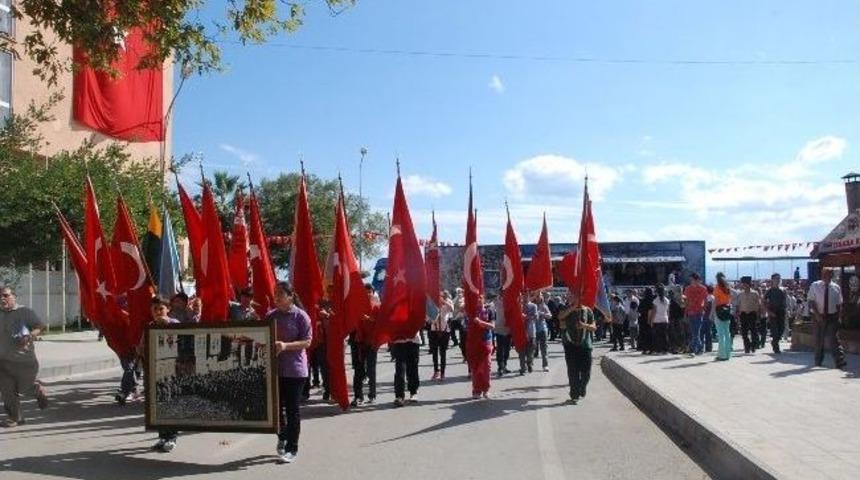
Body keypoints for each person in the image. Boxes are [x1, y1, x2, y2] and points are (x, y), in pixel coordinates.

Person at [268, 282, 313, 464]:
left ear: (291, 296)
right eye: (275, 294)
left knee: (292, 409)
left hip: (295, 370)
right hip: (275, 369)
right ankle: (283, 434)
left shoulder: (301, 316)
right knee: (276, 409)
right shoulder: (271, 316)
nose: (276, 297)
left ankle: (291, 448)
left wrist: (286, 346)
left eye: (280, 294)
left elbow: (308, 342)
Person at [0, 286, 49, 428]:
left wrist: (29, 336)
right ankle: (15, 418)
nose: (2, 299)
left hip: (24, 361)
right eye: (0, 296)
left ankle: (37, 391)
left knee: (24, 389)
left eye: (5, 295)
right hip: (3, 361)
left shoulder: (25, 312)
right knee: (7, 391)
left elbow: (40, 326)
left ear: (14, 296)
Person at [148, 296, 181, 452]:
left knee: (169, 402)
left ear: (168, 309)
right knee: (158, 404)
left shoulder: (176, 325)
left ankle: (172, 437)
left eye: (161, 308)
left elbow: (182, 342)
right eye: (155, 309)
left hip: (172, 371)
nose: (158, 312)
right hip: (155, 371)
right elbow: (143, 346)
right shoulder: (150, 326)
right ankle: (162, 436)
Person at [558, 291, 596, 404]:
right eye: (570, 296)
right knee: (572, 371)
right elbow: (560, 317)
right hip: (570, 345)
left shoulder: (588, 310)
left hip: (585, 345)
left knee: (586, 372)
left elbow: (594, 327)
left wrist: (584, 325)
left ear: (580, 297)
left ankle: (582, 386)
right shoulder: (566, 308)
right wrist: (573, 308)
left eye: (574, 295)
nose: (571, 297)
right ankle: (574, 394)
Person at [808, 269, 847, 369]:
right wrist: (817, 314)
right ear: (822, 275)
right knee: (818, 340)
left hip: (832, 316)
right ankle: (818, 360)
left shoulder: (836, 287)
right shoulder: (815, 285)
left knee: (833, 339)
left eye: (830, 275)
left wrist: (839, 317)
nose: (827, 277)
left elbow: (839, 304)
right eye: (825, 275)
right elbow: (811, 302)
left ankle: (839, 361)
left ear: (832, 276)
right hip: (818, 316)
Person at [350, 285, 380, 407]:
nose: (367, 294)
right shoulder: (357, 307)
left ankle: (372, 395)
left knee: (371, 370)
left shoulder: (377, 307)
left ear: (373, 293)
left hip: (371, 342)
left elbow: (380, 323)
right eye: (365, 292)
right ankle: (358, 396)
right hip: (359, 342)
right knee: (358, 370)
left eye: (370, 292)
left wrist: (369, 319)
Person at [468, 294, 495, 399]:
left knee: (486, 367)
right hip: (474, 342)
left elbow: (492, 326)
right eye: (476, 298)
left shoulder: (489, 311)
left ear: (483, 299)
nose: (478, 300)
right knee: (475, 368)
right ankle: (476, 390)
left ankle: (486, 389)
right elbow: (465, 324)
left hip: (486, 342)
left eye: (480, 298)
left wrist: (480, 322)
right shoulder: (471, 312)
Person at [391, 330, 421, 407]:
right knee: (400, 370)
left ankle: (413, 392)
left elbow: (428, 318)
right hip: (399, 341)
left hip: (413, 341)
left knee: (412, 368)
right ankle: (399, 396)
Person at [429, 290, 453, 381]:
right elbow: (428, 315)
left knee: (442, 353)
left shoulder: (448, 301)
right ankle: (436, 371)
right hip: (434, 329)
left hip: (444, 330)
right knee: (434, 352)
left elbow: (452, 309)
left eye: (441, 294)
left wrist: (444, 302)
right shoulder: (432, 302)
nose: (439, 295)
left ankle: (442, 373)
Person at [683, 273, 708, 357]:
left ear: (696, 279)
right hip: (690, 312)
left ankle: (693, 349)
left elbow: (706, 300)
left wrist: (704, 309)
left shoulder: (703, 289)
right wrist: (686, 312)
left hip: (699, 312)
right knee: (694, 332)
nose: (691, 281)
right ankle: (699, 348)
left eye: (692, 279)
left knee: (696, 332)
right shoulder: (687, 289)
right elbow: (686, 301)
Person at [764, 274, 788, 354]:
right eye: (776, 279)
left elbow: (785, 301)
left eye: (779, 279)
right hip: (773, 312)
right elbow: (764, 302)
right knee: (775, 331)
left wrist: (786, 310)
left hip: (781, 311)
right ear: (772, 280)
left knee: (782, 328)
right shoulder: (769, 291)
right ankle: (776, 347)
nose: (777, 280)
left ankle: (774, 341)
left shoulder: (783, 290)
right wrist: (769, 312)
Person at [737, 277, 762, 354]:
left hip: (752, 314)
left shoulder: (755, 293)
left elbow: (758, 305)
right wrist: (738, 314)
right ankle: (747, 347)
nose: (744, 285)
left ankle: (753, 345)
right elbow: (738, 305)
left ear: (748, 284)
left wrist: (758, 315)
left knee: (753, 331)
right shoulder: (740, 294)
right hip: (743, 314)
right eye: (743, 284)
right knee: (744, 332)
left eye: (745, 284)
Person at [713, 273, 734, 361]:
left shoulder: (717, 288)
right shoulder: (728, 288)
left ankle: (722, 355)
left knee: (720, 334)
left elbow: (716, 301)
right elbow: (730, 299)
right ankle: (728, 354)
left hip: (719, 311)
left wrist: (713, 313)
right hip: (727, 310)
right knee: (727, 333)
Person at [492, 294, 512, 377]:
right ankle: (500, 367)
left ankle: (504, 365)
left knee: (507, 349)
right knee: (500, 349)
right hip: (499, 329)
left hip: (508, 329)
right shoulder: (496, 302)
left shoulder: (510, 302)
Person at [649, 284, 670, 354]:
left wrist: (651, 321)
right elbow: (668, 311)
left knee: (657, 336)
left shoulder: (655, 300)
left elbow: (654, 311)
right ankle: (665, 349)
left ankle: (658, 349)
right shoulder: (667, 300)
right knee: (665, 335)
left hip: (657, 319)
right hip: (665, 319)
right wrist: (668, 318)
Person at [520, 294, 538, 374]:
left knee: (530, 351)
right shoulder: (519, 305)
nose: (525, 297)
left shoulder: (533, 306)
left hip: (531, 331)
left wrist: (526, 316)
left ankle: (529, 363)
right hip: (521, 331)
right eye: (523, 295)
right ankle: (523, 368)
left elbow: (535, 317)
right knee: (521, 351)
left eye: (526, 295)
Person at [534, 293, 551, 371]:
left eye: (539, 296)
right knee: (532, 347)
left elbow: (550, 315)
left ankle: (545, 365)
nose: (538, 297)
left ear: (542, 297)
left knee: (544, 348)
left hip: (542, 329)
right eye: (537, 296)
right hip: (533, 330)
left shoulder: (544, 306)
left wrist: (543, 314)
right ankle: (529, 364)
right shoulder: (532, 305)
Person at [637, 288, 654, 354]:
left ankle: (644, 349)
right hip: (652, 319)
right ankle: (651, 348)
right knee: (650, 334)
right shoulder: (653, 300)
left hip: (643, 320)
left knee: (643, 335)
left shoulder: (643, 301)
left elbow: (639, 310)